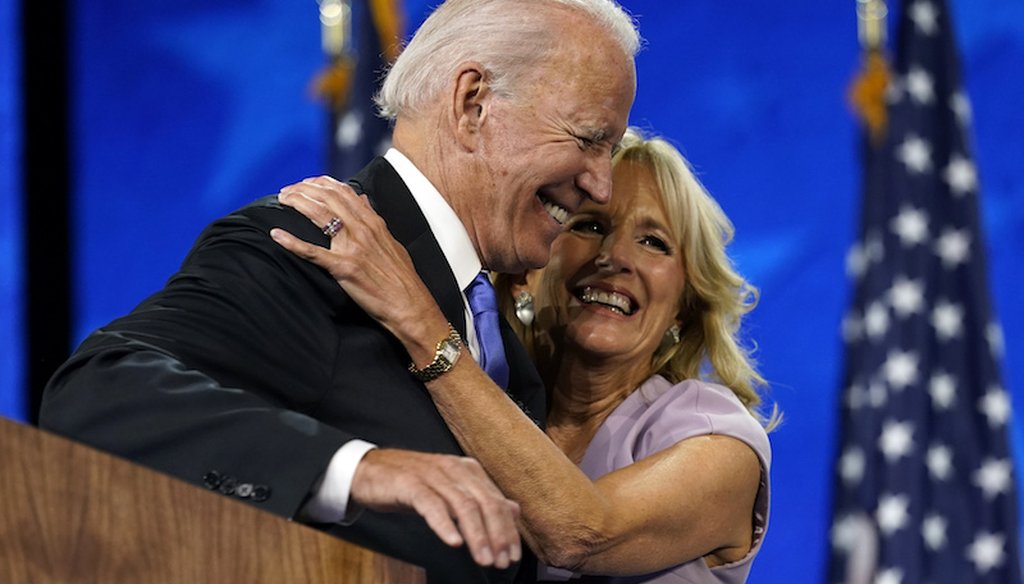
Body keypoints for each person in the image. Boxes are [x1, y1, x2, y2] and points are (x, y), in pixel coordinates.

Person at [38, 1, 638, 582]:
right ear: (472, 103)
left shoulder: (496, 327)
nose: (601, 185)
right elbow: (99, 391)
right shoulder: (315, 243)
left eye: (610, 151)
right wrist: (357, 468)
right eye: (588, 138)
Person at [272, 128, 778, 583]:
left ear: (683, 310)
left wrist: (419, 321)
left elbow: (583, 533)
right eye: (591, 227)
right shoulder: (479, 399)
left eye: (653, 242)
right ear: (527, 276)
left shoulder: (719, 441)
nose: (615, 258)